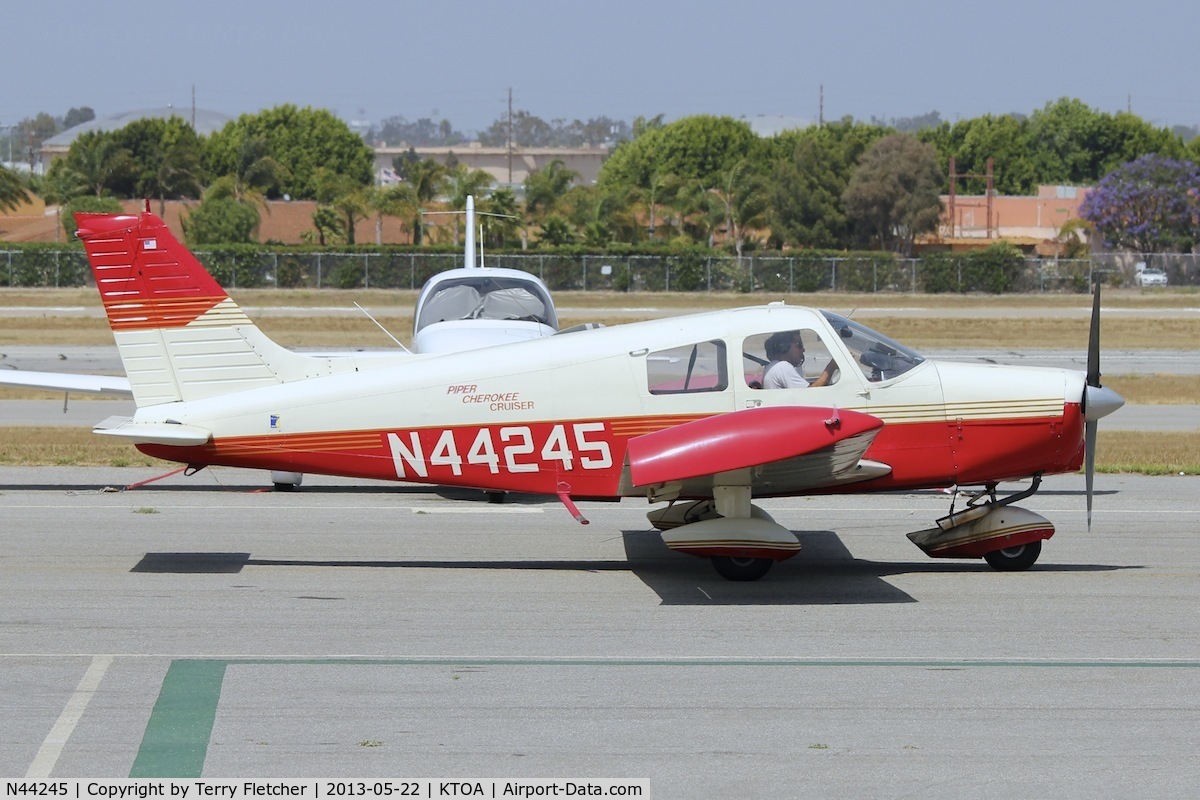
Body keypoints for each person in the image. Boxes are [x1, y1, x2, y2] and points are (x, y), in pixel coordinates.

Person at [762, 330, 837, 389]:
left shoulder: (774, 366)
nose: (803, 350)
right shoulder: (782, 367)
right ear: (785, 346)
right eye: (799, 345)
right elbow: (811, 395)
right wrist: (831, 367)